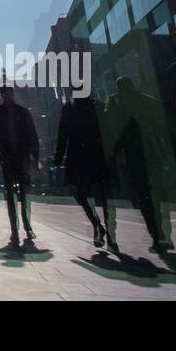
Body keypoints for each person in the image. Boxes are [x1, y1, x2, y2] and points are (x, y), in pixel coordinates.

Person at [104, 75, 176, 255]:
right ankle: (162, 234)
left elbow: (111, 129)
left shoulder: (118, 104)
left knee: (144, 196)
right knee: (157, 195)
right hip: (152, 154)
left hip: (136, 156)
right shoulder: (148, 101)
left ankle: (157, 234)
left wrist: (112, 155)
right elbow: (162, 128)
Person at [54, 89, 115, 251]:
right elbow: (109, 132)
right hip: (97, 154)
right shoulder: (99, 106)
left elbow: (63, 134)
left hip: (78, 155)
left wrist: (58, 158)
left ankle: (98, 226)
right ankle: (108, 232)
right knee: (102, 194)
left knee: (80, 192)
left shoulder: (69, 108)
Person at [0, 83, 41, 250]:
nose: (7, 95)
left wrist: (35, 158)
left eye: (9, 92)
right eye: (5, 93)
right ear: (2, 94)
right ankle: (15, 228)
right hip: (8, 156)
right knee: (11, 193)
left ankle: (26, 224)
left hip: (21, 156)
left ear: (12, 93)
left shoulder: (22, 112)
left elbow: (32, 134)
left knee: (23, 192)